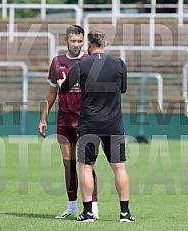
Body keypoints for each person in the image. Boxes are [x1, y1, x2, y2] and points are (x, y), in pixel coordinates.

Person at [58, 28, 135, 222]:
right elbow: (123, 89)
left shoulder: (81, 65)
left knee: (85, 167)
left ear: (89, 45)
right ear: (105, 44)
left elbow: (66, 89)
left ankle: (88, 213)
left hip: (89, 124)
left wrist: (62, 83)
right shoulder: (119, 64)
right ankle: (125, 213)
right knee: (119, 167)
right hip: (113, 124)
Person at [38, 25, 99, 219]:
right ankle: (72, 206)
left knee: (87, 165)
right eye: (73, 41)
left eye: (80, 41)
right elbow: (52, 92)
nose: (77, 45)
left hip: (85, 121)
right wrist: (43, 118)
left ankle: (93, 207)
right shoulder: (57, 62)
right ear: (66, 40)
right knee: (68, 164)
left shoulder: (89, 61)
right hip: (64, 121)